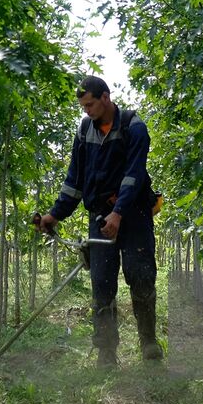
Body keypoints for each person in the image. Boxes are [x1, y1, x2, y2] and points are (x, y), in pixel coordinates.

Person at [34, 76, 162, 368]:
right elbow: (74, 181)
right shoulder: (84, 131)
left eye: (90, 104)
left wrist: (119, 212)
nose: (87, 111)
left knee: (140, 275)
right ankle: (106, 352)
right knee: (102, 283)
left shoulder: (134, 127)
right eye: (83, 106)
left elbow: (134, 175)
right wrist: (55, 213)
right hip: (101, 217)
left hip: (134, 214)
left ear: (105, 97)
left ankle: (149, 343)